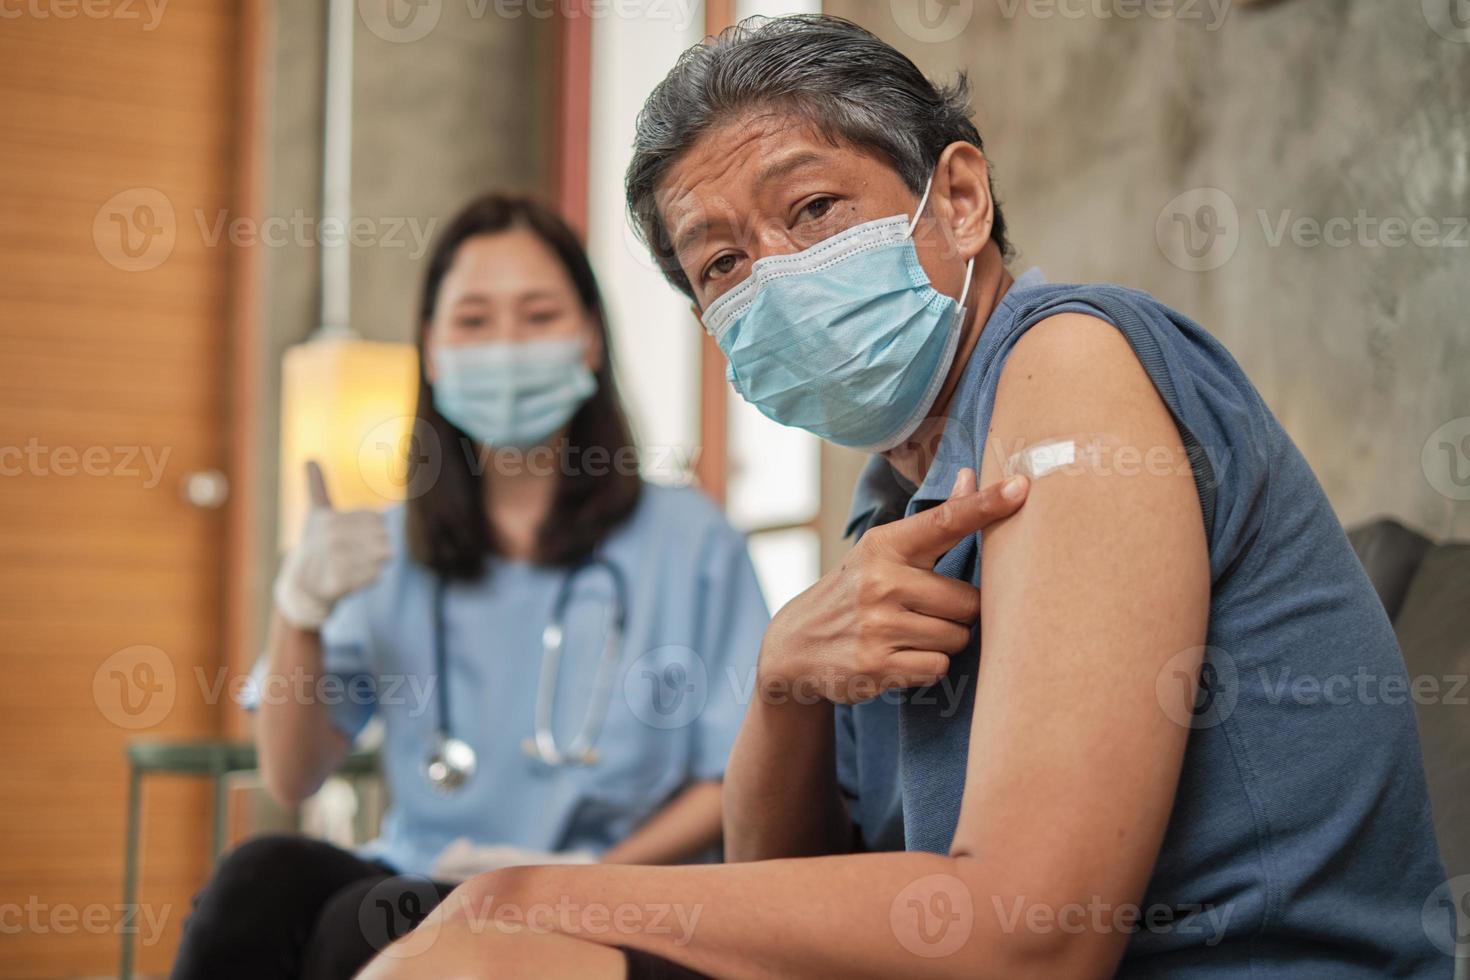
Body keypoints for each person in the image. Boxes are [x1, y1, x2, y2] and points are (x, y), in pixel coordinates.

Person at [358, 16, 1453, 980]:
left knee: (510, 939)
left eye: (816, 207)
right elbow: (781, 922)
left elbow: (1034, 937)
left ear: (961, 197)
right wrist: (782, 689)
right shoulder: (893, 505)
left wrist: (528, 895)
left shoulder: (1071, 360)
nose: (775, 274)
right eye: (722, 264)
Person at [171, 194, 769, 980]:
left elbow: (729, 776)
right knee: (262, 877)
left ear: (590, 338)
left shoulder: (690, 542)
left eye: (538, 315)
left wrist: (573, 883)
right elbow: (292, 774)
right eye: (475, 321)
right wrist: (300, 613)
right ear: (431, 347)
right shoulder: (383, 544)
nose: (506, 347)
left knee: (364, 931)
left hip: (616, 890)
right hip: (433, 874)